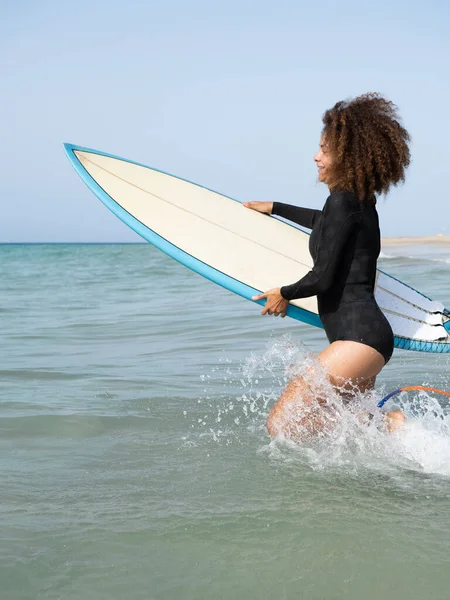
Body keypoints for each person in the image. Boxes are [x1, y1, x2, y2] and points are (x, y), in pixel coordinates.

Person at [244, 93, 409, 440]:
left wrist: (283, 294)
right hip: (367, 338)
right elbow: (322, 221)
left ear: (346, 156)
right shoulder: (359, 204)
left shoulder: (342, 201)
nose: (316, 157)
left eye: (325, 149)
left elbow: (323, 276)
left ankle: (390, 424)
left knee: (281, 424)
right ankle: (391, 429)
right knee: (348, 430)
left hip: (357, 340)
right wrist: (275, 207)